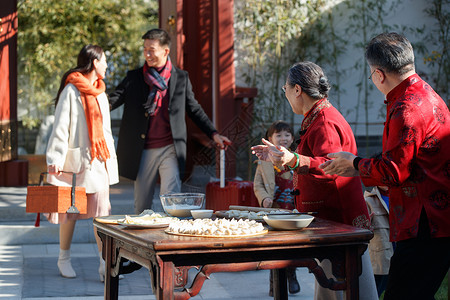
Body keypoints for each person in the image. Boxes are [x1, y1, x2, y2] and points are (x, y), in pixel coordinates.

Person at [319, 32, 450, 300]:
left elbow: (393, 170)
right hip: (433, 218)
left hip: (424, 224)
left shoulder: (406, 108)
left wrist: (354, 164)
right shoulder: (426, 91)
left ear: (378, 74)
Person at [251, 61, 378, 300]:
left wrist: (294, 160)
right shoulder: (318, 115)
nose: (286, 94)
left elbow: (331, 166)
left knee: (343, 288)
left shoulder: (324, 121)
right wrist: (283, 159)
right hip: (334, 220)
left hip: (339, 221)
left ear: (297, 90)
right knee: (341, 287)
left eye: (285, 89)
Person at [109, 29, 230, 214]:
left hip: (170, 148)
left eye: (152, 49)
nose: (147, 54)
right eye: (145, 49)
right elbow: (113, 99)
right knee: (141, 206)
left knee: (172, 201)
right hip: (143, 149)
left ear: (165, 51)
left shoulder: (180, 77)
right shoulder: (134, 77)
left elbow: (194, 108)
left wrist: (213, 133)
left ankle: (169, 240)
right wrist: (91, 104)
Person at [46, 45, 119, 281]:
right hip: (76, 164)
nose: (107, 65)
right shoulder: (71, 91)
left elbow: (105, 131)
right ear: (95, 62)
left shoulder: (100, 91)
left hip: (99, 162)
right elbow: (60, 127)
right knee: (69, 213)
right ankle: (63, 258)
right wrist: (55, 158)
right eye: (105, 61)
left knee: (102, 216)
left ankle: (104, 265)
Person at [253, 120, 300, 296]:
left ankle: (292, 274)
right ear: (269, 139)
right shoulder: (263, 162)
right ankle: (274, 284)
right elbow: (257, 184)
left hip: (293, 210)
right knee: (274, 248)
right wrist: (264, 197)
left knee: (292, 246)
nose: (283, 138)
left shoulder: (297, 158)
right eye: (278, 135)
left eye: (287, 135)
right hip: (273, 210)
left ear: (292, 138)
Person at [364, 184, 393, 297]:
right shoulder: (368, 201)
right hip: (381, 259)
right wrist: (366, 225)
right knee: (374, 293)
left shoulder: (403, 198)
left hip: (400, 254)